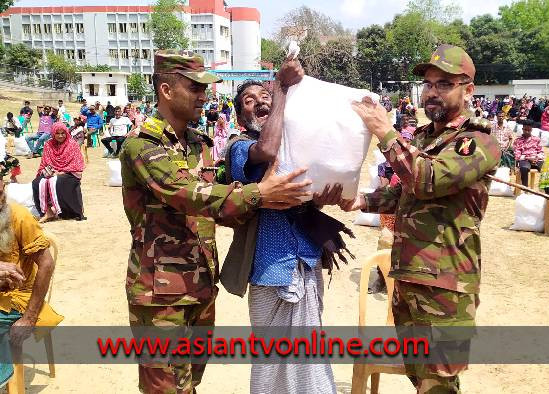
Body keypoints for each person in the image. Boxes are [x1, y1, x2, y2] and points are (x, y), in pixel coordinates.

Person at [119, 50, 311, 394]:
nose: (204, 96)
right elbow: (187, 193)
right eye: (195, 88)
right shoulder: (141, 145)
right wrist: (259, 194)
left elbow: (225, 202)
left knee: (189, 382)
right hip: (160, 294)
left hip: (201, 286)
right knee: (164, 388)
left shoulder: (200, 145)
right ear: (166, 90)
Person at [342, 44, 500, 393]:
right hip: (410, 280)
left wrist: (386, 133)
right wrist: (361, 200)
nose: (431, 92)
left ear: (468, 90)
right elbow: (406, 193)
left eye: (444, 83)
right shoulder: (425, 137)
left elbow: (427, 180)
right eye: (428, 83)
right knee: (420, 378)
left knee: (439, 384)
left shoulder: (479, 141)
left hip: (445, 287)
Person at [220, 70, 349, 393]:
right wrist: (279, 92)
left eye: (265, 98)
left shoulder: (297, 147)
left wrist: (328, 193)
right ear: (239, 116)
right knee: (271, 362)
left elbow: (315, 183)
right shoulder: (240, 146)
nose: (261, 103)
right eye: (250, 101)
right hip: (269, 269)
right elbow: (266, 149)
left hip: (306, 260)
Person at [0, 175, 63, 386]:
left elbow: (46, 264)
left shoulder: (18, 216)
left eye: (1, 190)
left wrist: (29, 318)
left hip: (14, 298)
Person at [32, 122, 85, 223]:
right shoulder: (48, 144)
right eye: (57, 133)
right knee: (37, 182)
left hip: (70, 174)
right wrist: (49, 171)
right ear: (53, 133)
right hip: (53, 172)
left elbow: (77, 164)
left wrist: (62, 172)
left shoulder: (72, 144)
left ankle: (65, 212)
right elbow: (45, 162)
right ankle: (47, 212)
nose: (60, 136)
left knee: (56, 181)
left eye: (63, 133)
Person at [514, 120, 544, 187]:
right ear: (522, 129)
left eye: (529, 130)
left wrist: (536, 158)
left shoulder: (537, 139)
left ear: (531, 129)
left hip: (536, 160)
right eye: (525, 130)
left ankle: (544, 189)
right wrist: (528, 158)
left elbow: (541, 152)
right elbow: (517, 156)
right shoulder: (518, 140)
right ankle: (525, 188)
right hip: (525, 160)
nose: (527, 131)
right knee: (524, 168)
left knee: (547, 168)